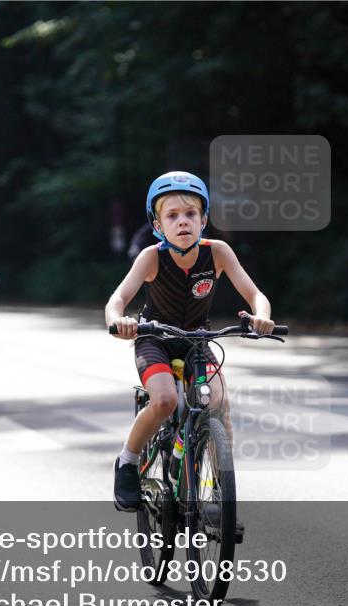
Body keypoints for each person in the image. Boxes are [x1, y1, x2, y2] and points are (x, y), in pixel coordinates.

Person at [105, 171, 275, 512]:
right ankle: (127, 460)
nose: (182, 222)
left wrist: (262, 316)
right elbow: (116, 300)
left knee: (219, 403)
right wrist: (119, 322)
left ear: (204, 219)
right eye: (172, 216)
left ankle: (217, 490)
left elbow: (255, 293)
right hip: (154, 339)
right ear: (158, 224)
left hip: (198, 340)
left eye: (190, 214)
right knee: (166, 400)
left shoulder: (218, 253)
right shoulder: (151, 257)